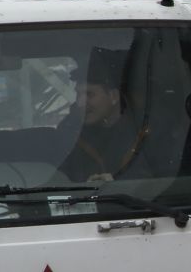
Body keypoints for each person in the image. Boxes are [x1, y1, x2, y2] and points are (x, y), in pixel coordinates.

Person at [60, 49, 148, 182]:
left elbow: (158, 180)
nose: (80, 103)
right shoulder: (70, 133)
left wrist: (118, 184)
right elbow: (60, 179)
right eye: (78, 94)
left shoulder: (144, 131)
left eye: (90, 94)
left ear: (113, 96)